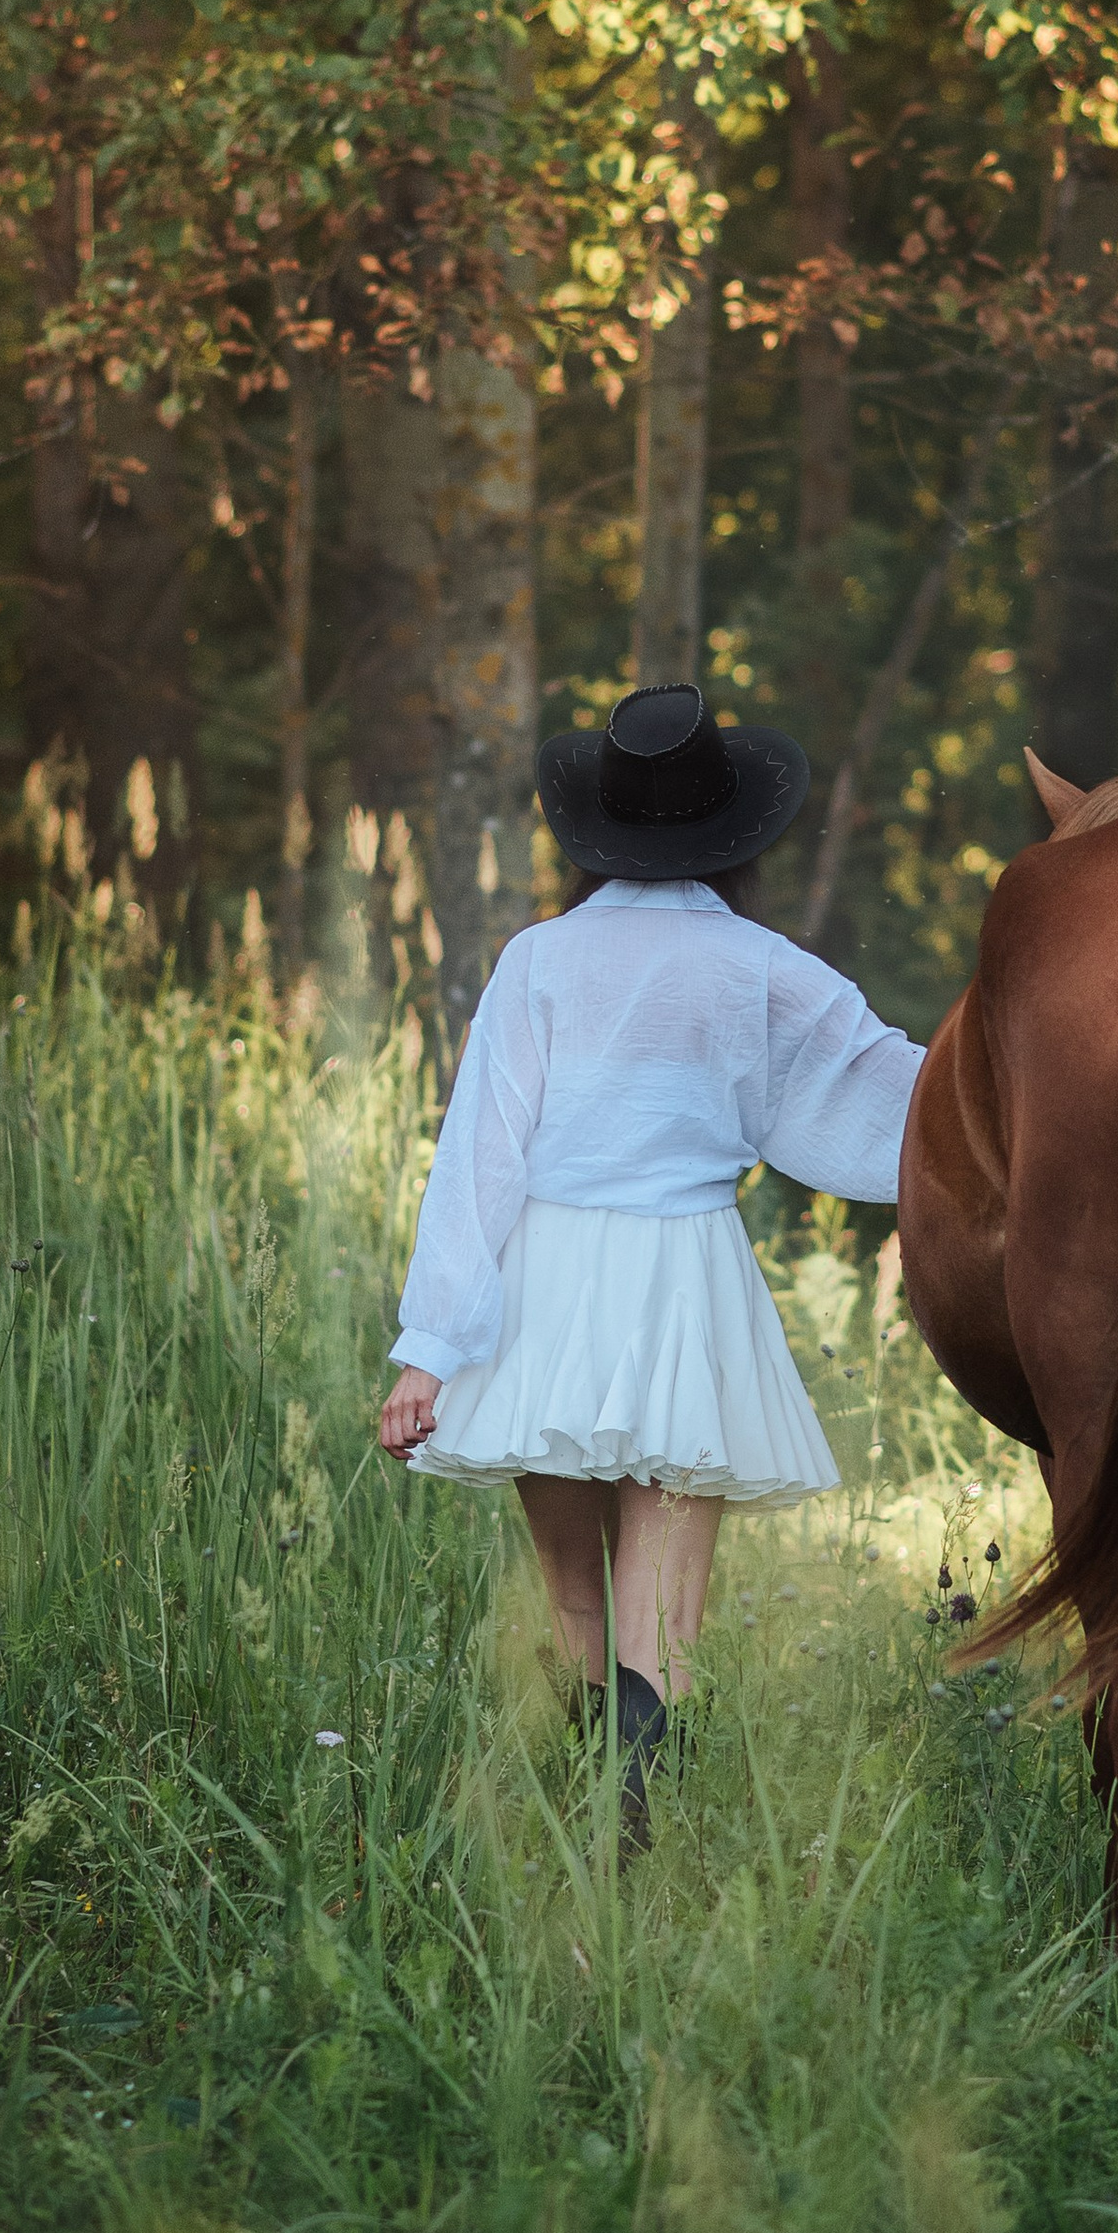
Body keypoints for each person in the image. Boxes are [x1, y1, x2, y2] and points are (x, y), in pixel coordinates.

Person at [376, 682, 924, 1835]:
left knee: (573, 1589)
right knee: (662, 1611)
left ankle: (590, 1843)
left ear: (599, 825)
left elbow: (480, 1154)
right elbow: (897, 1097)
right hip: (684, 1281)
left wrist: (430, 1351)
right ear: (729, 830)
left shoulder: (538, 959)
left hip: (545, 1283)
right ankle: (633, 1842)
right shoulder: (764, 967)